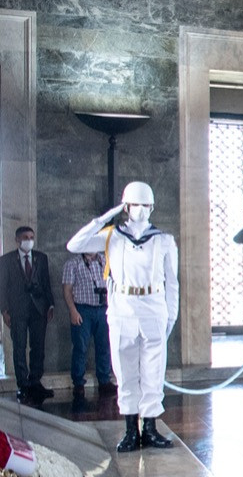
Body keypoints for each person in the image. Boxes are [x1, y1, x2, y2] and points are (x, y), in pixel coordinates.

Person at [67, 185, 178, 451]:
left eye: (145, 205)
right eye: (135, 204)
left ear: (152, 207)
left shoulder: (163, 240)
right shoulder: (111, 236)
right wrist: (104, 218)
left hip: (153, 308)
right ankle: (131, 430)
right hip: (122, 309)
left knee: (153, 372)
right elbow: (74, 245)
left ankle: (150, 428)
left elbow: (173, 283)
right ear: (126, 207)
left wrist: (170, 318)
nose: (141, 210)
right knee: (125, 371)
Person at [1, 227, 55, 406]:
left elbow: (47, 282)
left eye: (31, 237)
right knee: (19, 347)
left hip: (38, 308)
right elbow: (2, 287)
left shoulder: (41, 258)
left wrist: (50, 304)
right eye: (25, 238)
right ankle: (23, 384)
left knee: (38, 347)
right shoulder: (6, 260)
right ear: (17, 240)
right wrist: (4, 310)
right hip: (18, 309)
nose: (29, 241)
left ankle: (35, 381)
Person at [60, 247, 114, 405]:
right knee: (80, 347)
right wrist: (72, 311)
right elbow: (67, 290)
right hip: (83, 309)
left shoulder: (105, 261)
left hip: (103, 308)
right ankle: (78, 382)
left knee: (104, 346)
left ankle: (104, 380)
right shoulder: (73, 264)